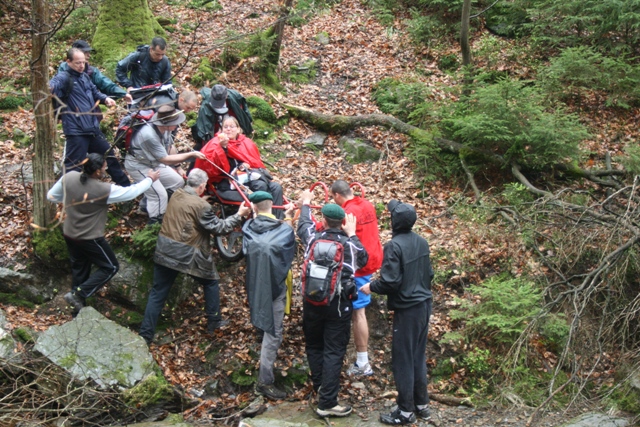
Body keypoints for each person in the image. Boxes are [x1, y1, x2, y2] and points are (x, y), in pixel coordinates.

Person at [139, 168, 251, 345]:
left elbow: (190, 208)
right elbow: (219, 228)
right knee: (211, 282)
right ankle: (214, 322)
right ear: (201, 186)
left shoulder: (177, 194)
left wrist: (200, 202)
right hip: (185, 254)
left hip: (164, 249)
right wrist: (239, 215)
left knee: (157, 293)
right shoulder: (202, 206)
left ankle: (145, 335)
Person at [47, 153, 160, 315]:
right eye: (105, 168)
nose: (106, 169)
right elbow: (130, 193)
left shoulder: (69, 177)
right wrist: (150, 179)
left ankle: (77, 310)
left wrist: (69, 198)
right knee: (111, 267)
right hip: (88, 236)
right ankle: (78, 295)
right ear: (98, 172)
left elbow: (50, 196)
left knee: (80, 269)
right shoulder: (103, 189)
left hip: (70, 232)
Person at [360, 200, 434, 425]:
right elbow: (429, 275)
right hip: (424, 305)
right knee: (417, 356)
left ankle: (405, 412)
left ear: (395, 222)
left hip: (408, 309)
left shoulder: (394, 246)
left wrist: (370, 286)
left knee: (403, 359)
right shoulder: (422, 242)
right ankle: (421, 405)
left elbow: (391, 282)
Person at [297, 192, 368, 418]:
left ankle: (321, 388)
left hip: (312, 302)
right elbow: (364, 259)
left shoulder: (312, 238)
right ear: (343, 222)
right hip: (338, 306)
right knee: (334, 350)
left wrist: (306, 204)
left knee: (315, 345)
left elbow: (303, 224)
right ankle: (327, 402)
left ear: (324, 221)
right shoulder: (349, 245)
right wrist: (353, 233)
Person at [241, 191, 296, 400]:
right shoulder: (283, 229)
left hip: (255, 284)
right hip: (275, 287)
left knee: (263, 318)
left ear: (254, 208)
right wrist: (290, 216)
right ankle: (264, 381)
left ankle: (259, 331)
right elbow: (287, 238)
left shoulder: (248, 228)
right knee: (274, 333)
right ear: (273, 205)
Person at [50, 48, 131, 187]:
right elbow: (51, 87)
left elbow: (94, 91)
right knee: (73, 167)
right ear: (68, 62)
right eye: (77, 63)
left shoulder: (84, 76)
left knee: (109, 157)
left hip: (92, 129)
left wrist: (106, 99)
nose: (81, 66)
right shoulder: (63, 77)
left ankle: (126, 189)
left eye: (83, 62)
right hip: (76, 131)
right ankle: (64, 195)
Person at [330, 180, 383, 377]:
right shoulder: (366, 204)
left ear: (337, 195)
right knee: (356, 310)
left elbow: (329, 228)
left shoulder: (347, 213)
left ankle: (363, 363)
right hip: (373, 257)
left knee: (358, 313)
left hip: (360, 266)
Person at [124, 104, 206, 224]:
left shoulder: (166, 130)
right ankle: (155, 223)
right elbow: (165, 159)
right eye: (175, 122)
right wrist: (190, 155)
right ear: (166, 124)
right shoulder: (148, 135)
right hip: (139, 165)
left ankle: (147, 205)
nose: (177, 124)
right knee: (159, 195)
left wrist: (178, 167)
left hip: (154, 162)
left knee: (177, 181)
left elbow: (170, 147)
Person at [194, 117, 285, 219]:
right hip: (227, 184)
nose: (228, 129)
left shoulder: (246, 142)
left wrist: (246, 165)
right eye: (226, 127)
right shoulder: (215, 143)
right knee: (260, 189)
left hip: (249, 178)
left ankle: (277, 220)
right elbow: (212, 168)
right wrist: (222, 148)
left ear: (238, 129)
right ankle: (262, 221)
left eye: (232, 126)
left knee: (276, 187)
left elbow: (254, 162)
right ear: (221, 130)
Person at [58, 40, 130, 101]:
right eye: (86, 52)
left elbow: (106, 84)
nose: (89, 55)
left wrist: (123, 94)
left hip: (88, 107)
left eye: (89, 52)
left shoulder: (91, 71)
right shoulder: (64, 69)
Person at [191, 84, 253, 151]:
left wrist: (247, 126)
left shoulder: (235, 97)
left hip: (232, 125)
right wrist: (211, 146)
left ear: (226, 96)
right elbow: (205, 130)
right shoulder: (205, 107)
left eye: (220, 103)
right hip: (216, 130)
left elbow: (244, 114)